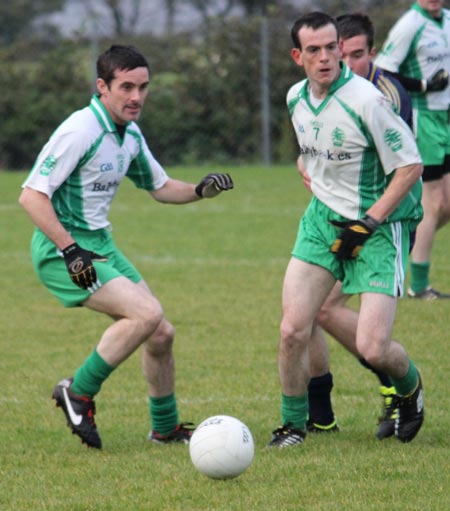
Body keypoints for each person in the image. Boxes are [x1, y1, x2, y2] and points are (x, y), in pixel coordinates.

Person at [18, 44, 234, 450]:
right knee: (147, 313)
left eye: (143, 87)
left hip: (99, 244)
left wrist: (200, 191)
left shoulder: (129, 134)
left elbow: (161, 187)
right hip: (61, 249)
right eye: (126, 87)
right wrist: (70, 250)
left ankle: (165, 428)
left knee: (161, 332)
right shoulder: (79, 130)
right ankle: (77, 393)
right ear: (103, 86)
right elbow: (31, 196)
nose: (136, 97)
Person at [267, 12, 424, 448]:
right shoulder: (295, 97)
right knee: (292, 329)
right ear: (298, 56)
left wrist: (369, 220)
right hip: (321, 222)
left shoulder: (368, 101)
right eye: (313, 50)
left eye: (331, 47)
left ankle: (409, 386)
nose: (326, 57)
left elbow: (411, 166)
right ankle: (293, 426)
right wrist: (307, 167)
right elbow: (314, 150)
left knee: (374, 348)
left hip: (379, 227)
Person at [375, 0, 450, 300]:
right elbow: (382, 71)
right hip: (423, 119)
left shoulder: (447, 19)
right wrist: (423, 84)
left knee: (445, 206)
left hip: (445, 117)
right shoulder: (410, 24)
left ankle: (402, 239)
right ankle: (419, 286)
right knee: (433, 204)